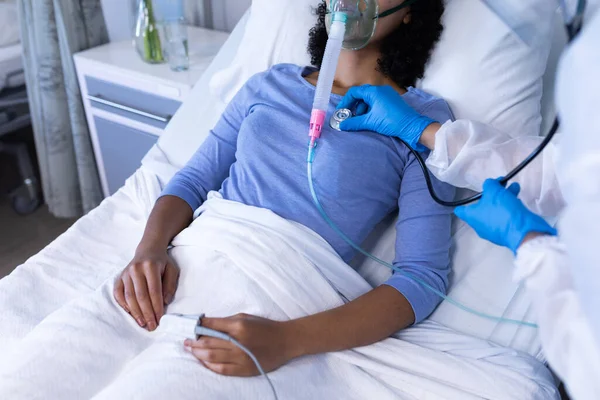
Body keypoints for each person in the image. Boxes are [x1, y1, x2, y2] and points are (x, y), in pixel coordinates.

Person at [0, 1, 456, 398]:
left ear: (412, 9)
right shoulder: (268, 85)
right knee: (29, 376)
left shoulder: (423, 123)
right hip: (183, 265)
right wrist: (149, 251)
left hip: (272, 296)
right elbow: (193, 179)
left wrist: (287, 340)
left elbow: (422, 279)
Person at [336, 4, 600, 399]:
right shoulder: (269, 85)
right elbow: (565, 167)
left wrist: (531, 245)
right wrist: (425, 132)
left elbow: (587, 357)